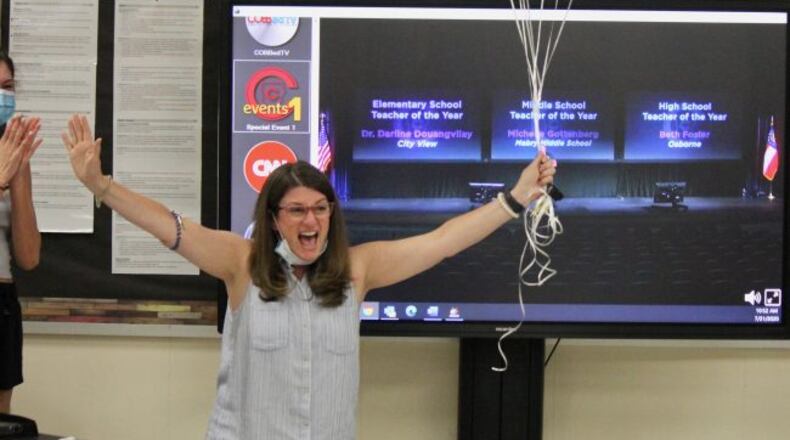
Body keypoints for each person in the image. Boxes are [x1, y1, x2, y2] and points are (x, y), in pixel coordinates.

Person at [61, 113, 556, 439]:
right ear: (274, 217)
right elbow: (170, 228)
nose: (311, 221)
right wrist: (101, 185)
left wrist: (513, 199)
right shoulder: (241, 264)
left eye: (320, 209)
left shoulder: (357, 270)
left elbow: (443, 241)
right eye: (297, 211)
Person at [0, 51, 42, 414]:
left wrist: (18, 178)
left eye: (7, 87)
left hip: (2, 300)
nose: (3, 96)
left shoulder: (11, 152)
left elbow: (28, 256)